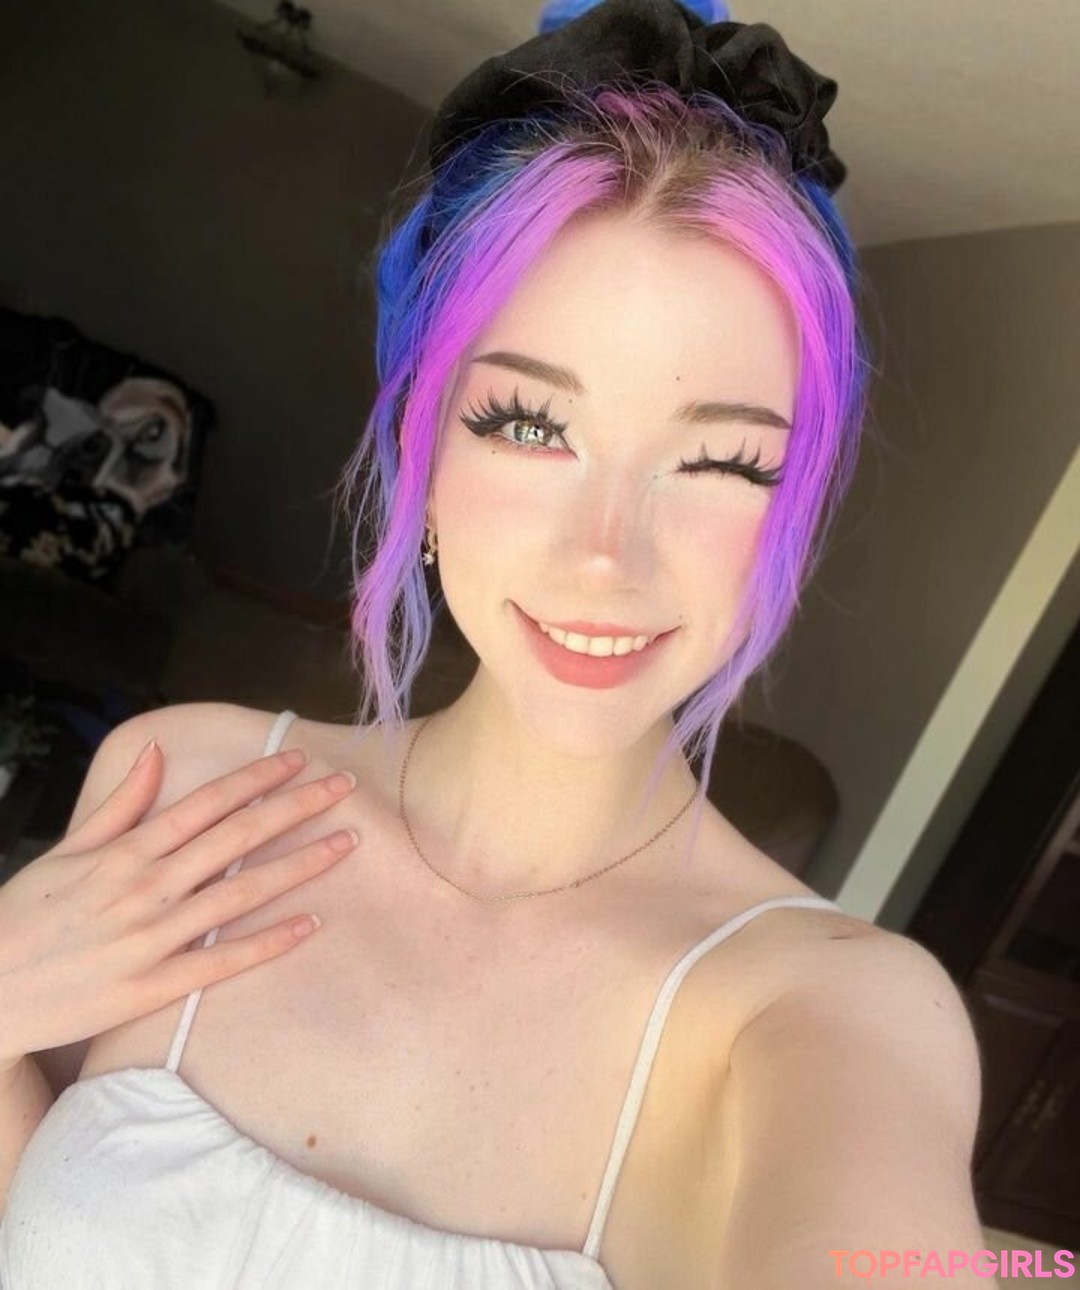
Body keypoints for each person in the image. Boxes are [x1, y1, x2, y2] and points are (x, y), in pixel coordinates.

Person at [0, 1, 995, 1286]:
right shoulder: (182, 787)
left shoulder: (832, 1009)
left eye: (722, 461)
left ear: (790, 510)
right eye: (530, 426)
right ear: (422, 441)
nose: (607, 554)